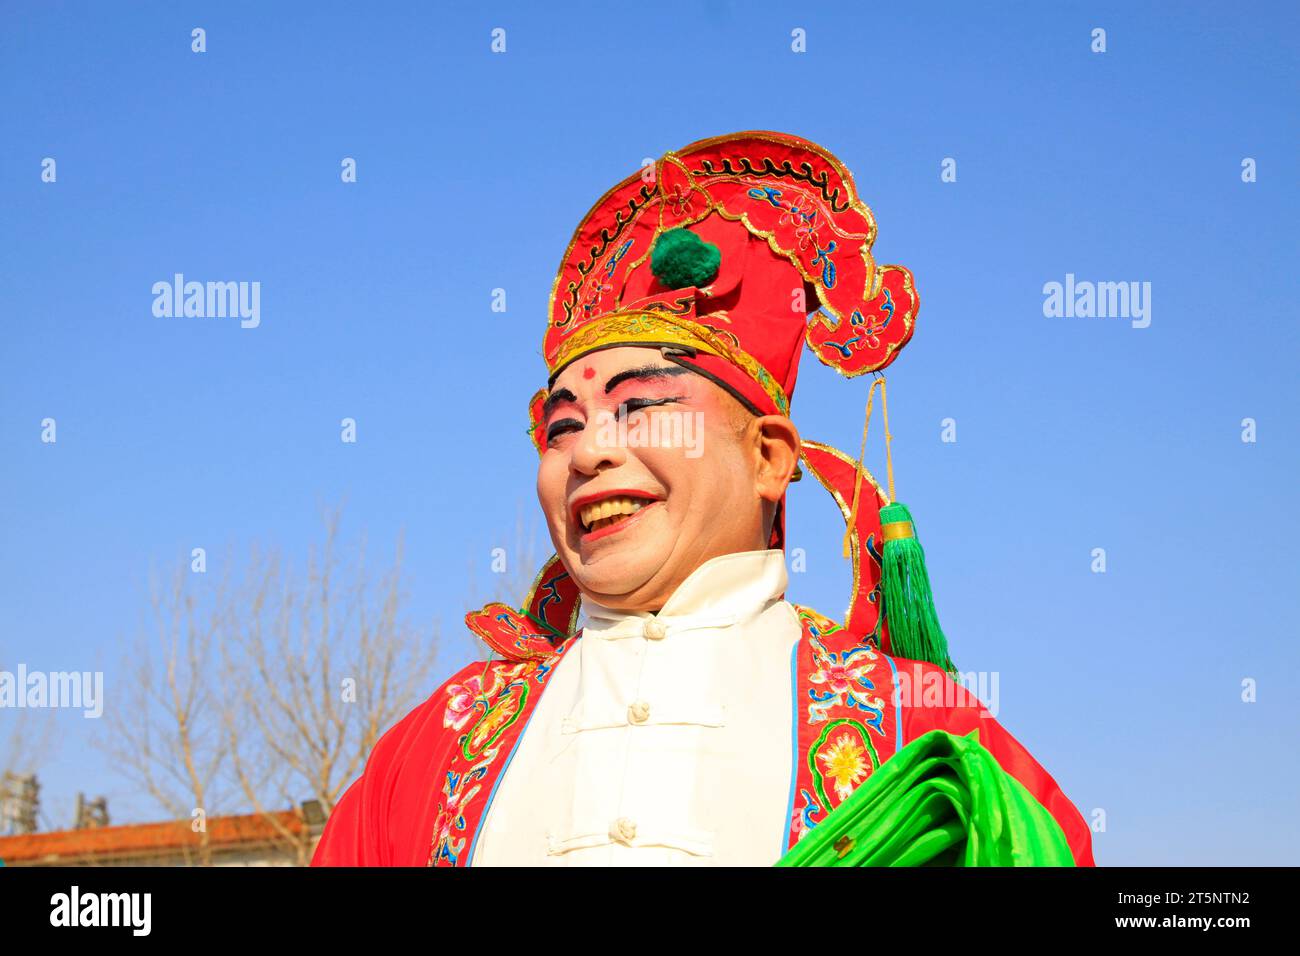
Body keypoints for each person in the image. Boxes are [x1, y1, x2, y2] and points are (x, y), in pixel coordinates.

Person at [311, 130, 1094, 867]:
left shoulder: (913, 735)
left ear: (768, 457)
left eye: (641, 407)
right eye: (562, 427)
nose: (589, 451)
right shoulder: (439, 745)